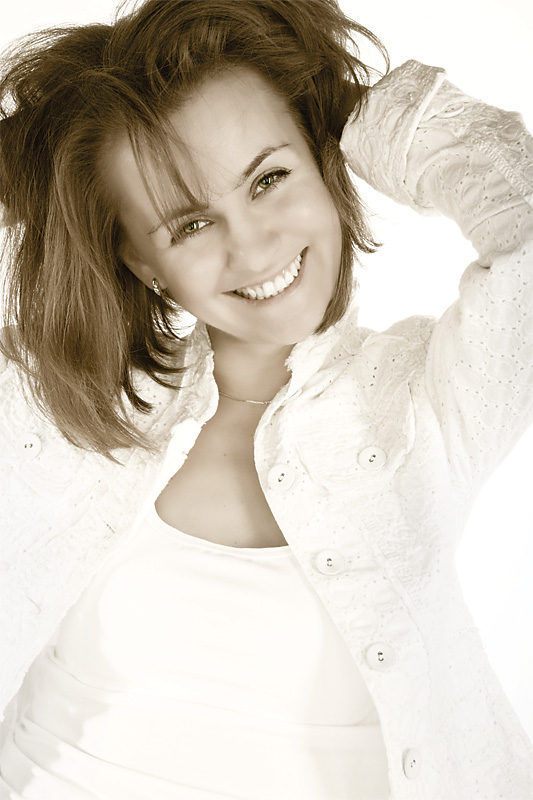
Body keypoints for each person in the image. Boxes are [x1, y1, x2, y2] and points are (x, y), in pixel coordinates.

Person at [0, 0, 531, 797]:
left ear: (324, 161)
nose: (251, 245)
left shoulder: (421, 406)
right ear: (144, 265)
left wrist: (354, 111)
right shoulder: (59, 407)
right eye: (188, 225)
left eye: (270, 178)